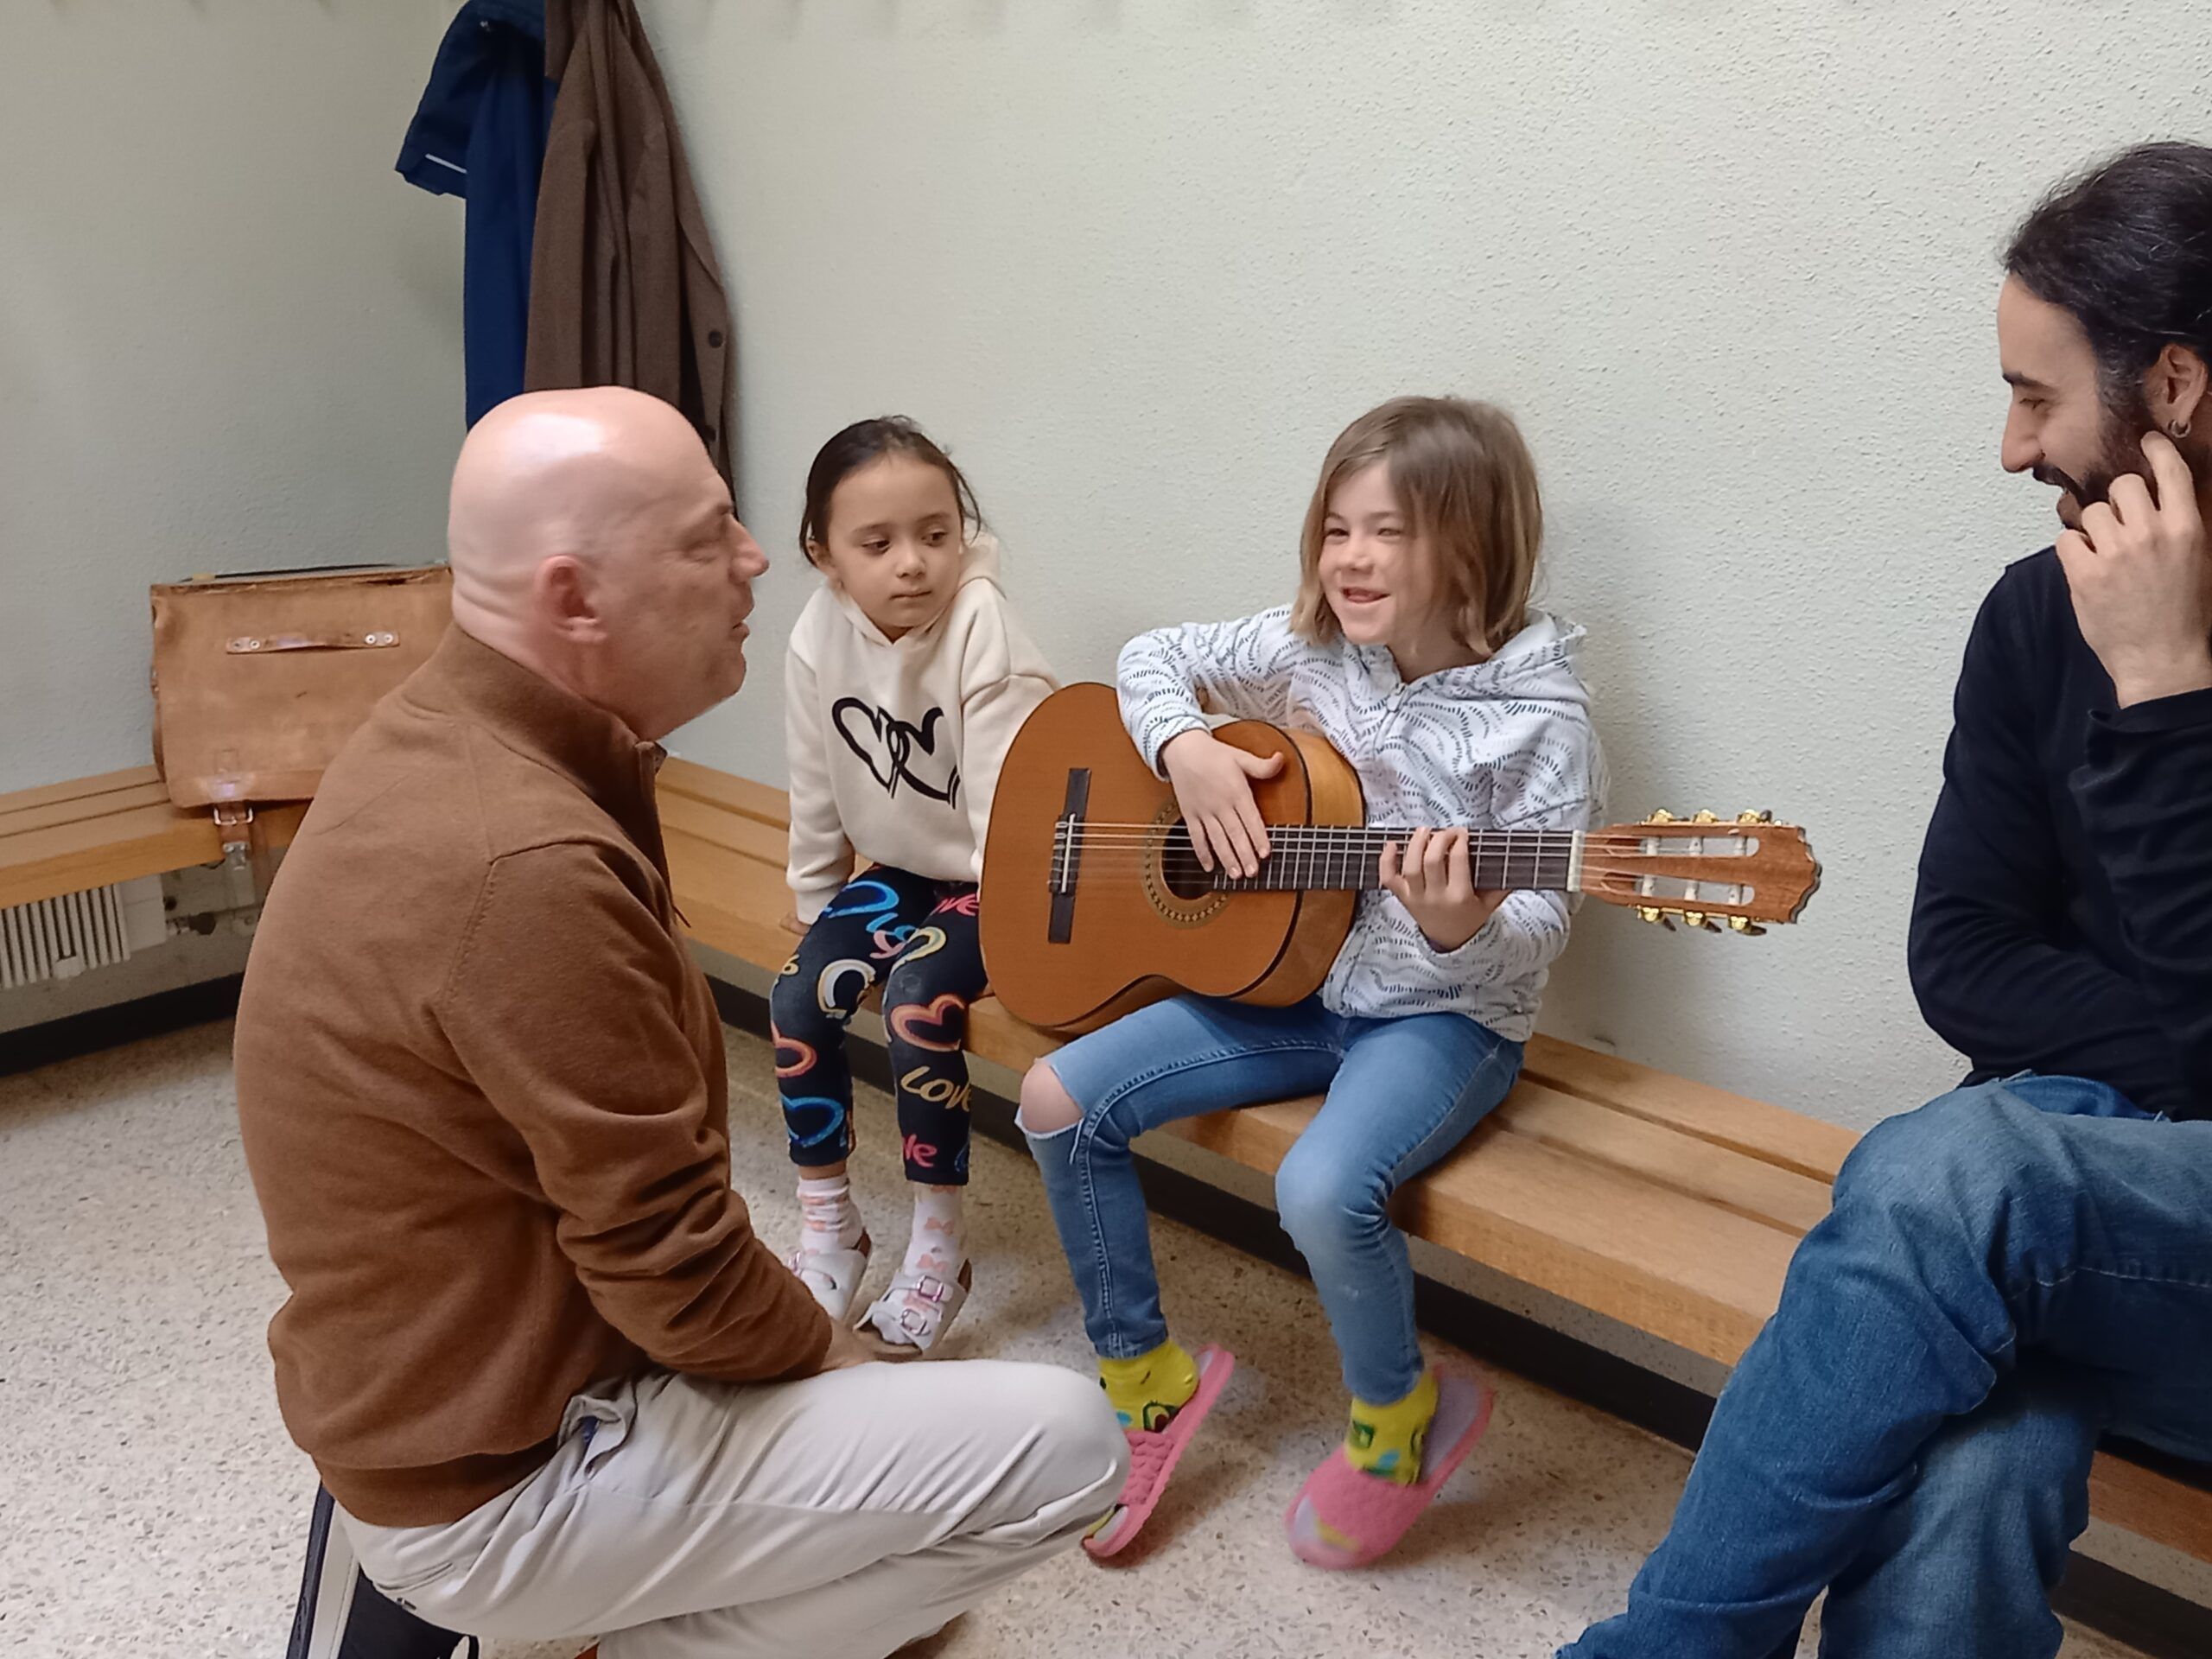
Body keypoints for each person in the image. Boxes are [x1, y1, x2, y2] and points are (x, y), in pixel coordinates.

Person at [233, 387, 1125, 1659]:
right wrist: (845, 1368)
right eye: (708, 537)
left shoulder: (462, 735)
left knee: (913, 1561)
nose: (756, 558)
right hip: (495, 1480)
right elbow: (675, 1265)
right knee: (1070, 1445)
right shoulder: (525, 863)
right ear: (575, 599)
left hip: (431, 1398)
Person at [1563, 141, 2212, 1659]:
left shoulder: (2131, 646)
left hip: (2076, 1203)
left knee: (1951, 1171)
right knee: (1973, 1462)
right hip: (2085, 1200)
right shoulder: (2035, 617)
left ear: (2175, 387)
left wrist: (2169, 698)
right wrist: (2170, 1051)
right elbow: (1962, 959)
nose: (2010, 448)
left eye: (2037, 397)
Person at [1017, 395, 1607, 1567]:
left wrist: (1458, 928)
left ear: (1472, 546)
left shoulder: (1542, 721)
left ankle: (1397, 1417)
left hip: (1443, 1021)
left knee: (1322, 1189)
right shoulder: (1307, 651)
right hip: (1287, 985)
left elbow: (1541, 924)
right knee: (1054, 1101)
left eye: (1387, 531)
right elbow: (1150, 657)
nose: (1351, 558)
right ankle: (1146, 1384)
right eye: (1336, 528)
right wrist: (1186, 750)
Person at [772, 417, 1057, 1354]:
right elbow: (815, 780)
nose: (912, 563)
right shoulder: (816, 633)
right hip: (899, 871)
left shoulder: (981, 625)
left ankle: (939, 1242)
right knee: (798, 995)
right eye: (877, 543)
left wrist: (1015, 934)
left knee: (916, 1001)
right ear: (823, 555)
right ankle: (831, 1226)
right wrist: (816, 904)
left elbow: (1012, 805)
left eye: (936, 535)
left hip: (998, 879)